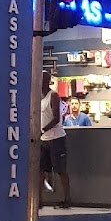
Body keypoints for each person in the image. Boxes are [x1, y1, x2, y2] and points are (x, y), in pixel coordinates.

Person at [40, 71, 71, 208]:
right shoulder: (39, 97)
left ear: (47, 81)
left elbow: (56, 118)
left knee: (60, 170)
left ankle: (67, 199)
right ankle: (39, 200)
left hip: (56, 138)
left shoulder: (53, 96)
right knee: (41, 170)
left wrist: (43, 129)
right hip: (43, 139)